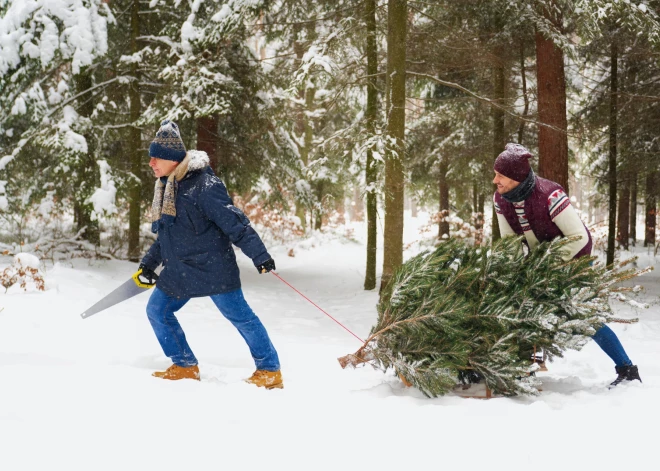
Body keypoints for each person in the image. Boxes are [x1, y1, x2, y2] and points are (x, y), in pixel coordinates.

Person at [138, 120, 282, 389]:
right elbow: (167, 234)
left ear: (171, 158)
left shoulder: (205, 186)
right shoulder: (168, 187)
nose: (151, 163)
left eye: (156, 157)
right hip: (181, 270)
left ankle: (269, 370)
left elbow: (234, 223)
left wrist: (259, 255)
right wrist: (149, 264)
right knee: (157, 311)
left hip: (213, 268)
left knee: (241, 317)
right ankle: (184, 365)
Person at [492, 143, 641, 388]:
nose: (495, 180)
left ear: (517, 177)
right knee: (526, 313)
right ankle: (527, 371)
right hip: (538, 264)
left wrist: (548, 266)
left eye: (500, 175)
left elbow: (580, 237)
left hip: (575, 259)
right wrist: (515, 268)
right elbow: (510, 241)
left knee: (586, 318)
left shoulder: (551, 195)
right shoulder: (501, 198)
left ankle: (627, 370)